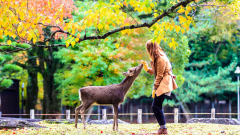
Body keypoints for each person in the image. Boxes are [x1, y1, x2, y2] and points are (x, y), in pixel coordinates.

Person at [141, 40, 178, 135]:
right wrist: (147, 69)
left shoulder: (161, 59)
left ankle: (163, 128)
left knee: (156, 106)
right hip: (163, 82)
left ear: (151, 49)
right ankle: (162, 128)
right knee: (156, 106)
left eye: (148, 49)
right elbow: (157, 71)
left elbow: (159, 75)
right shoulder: (157, 58)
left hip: (164, 83)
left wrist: (154, 88)